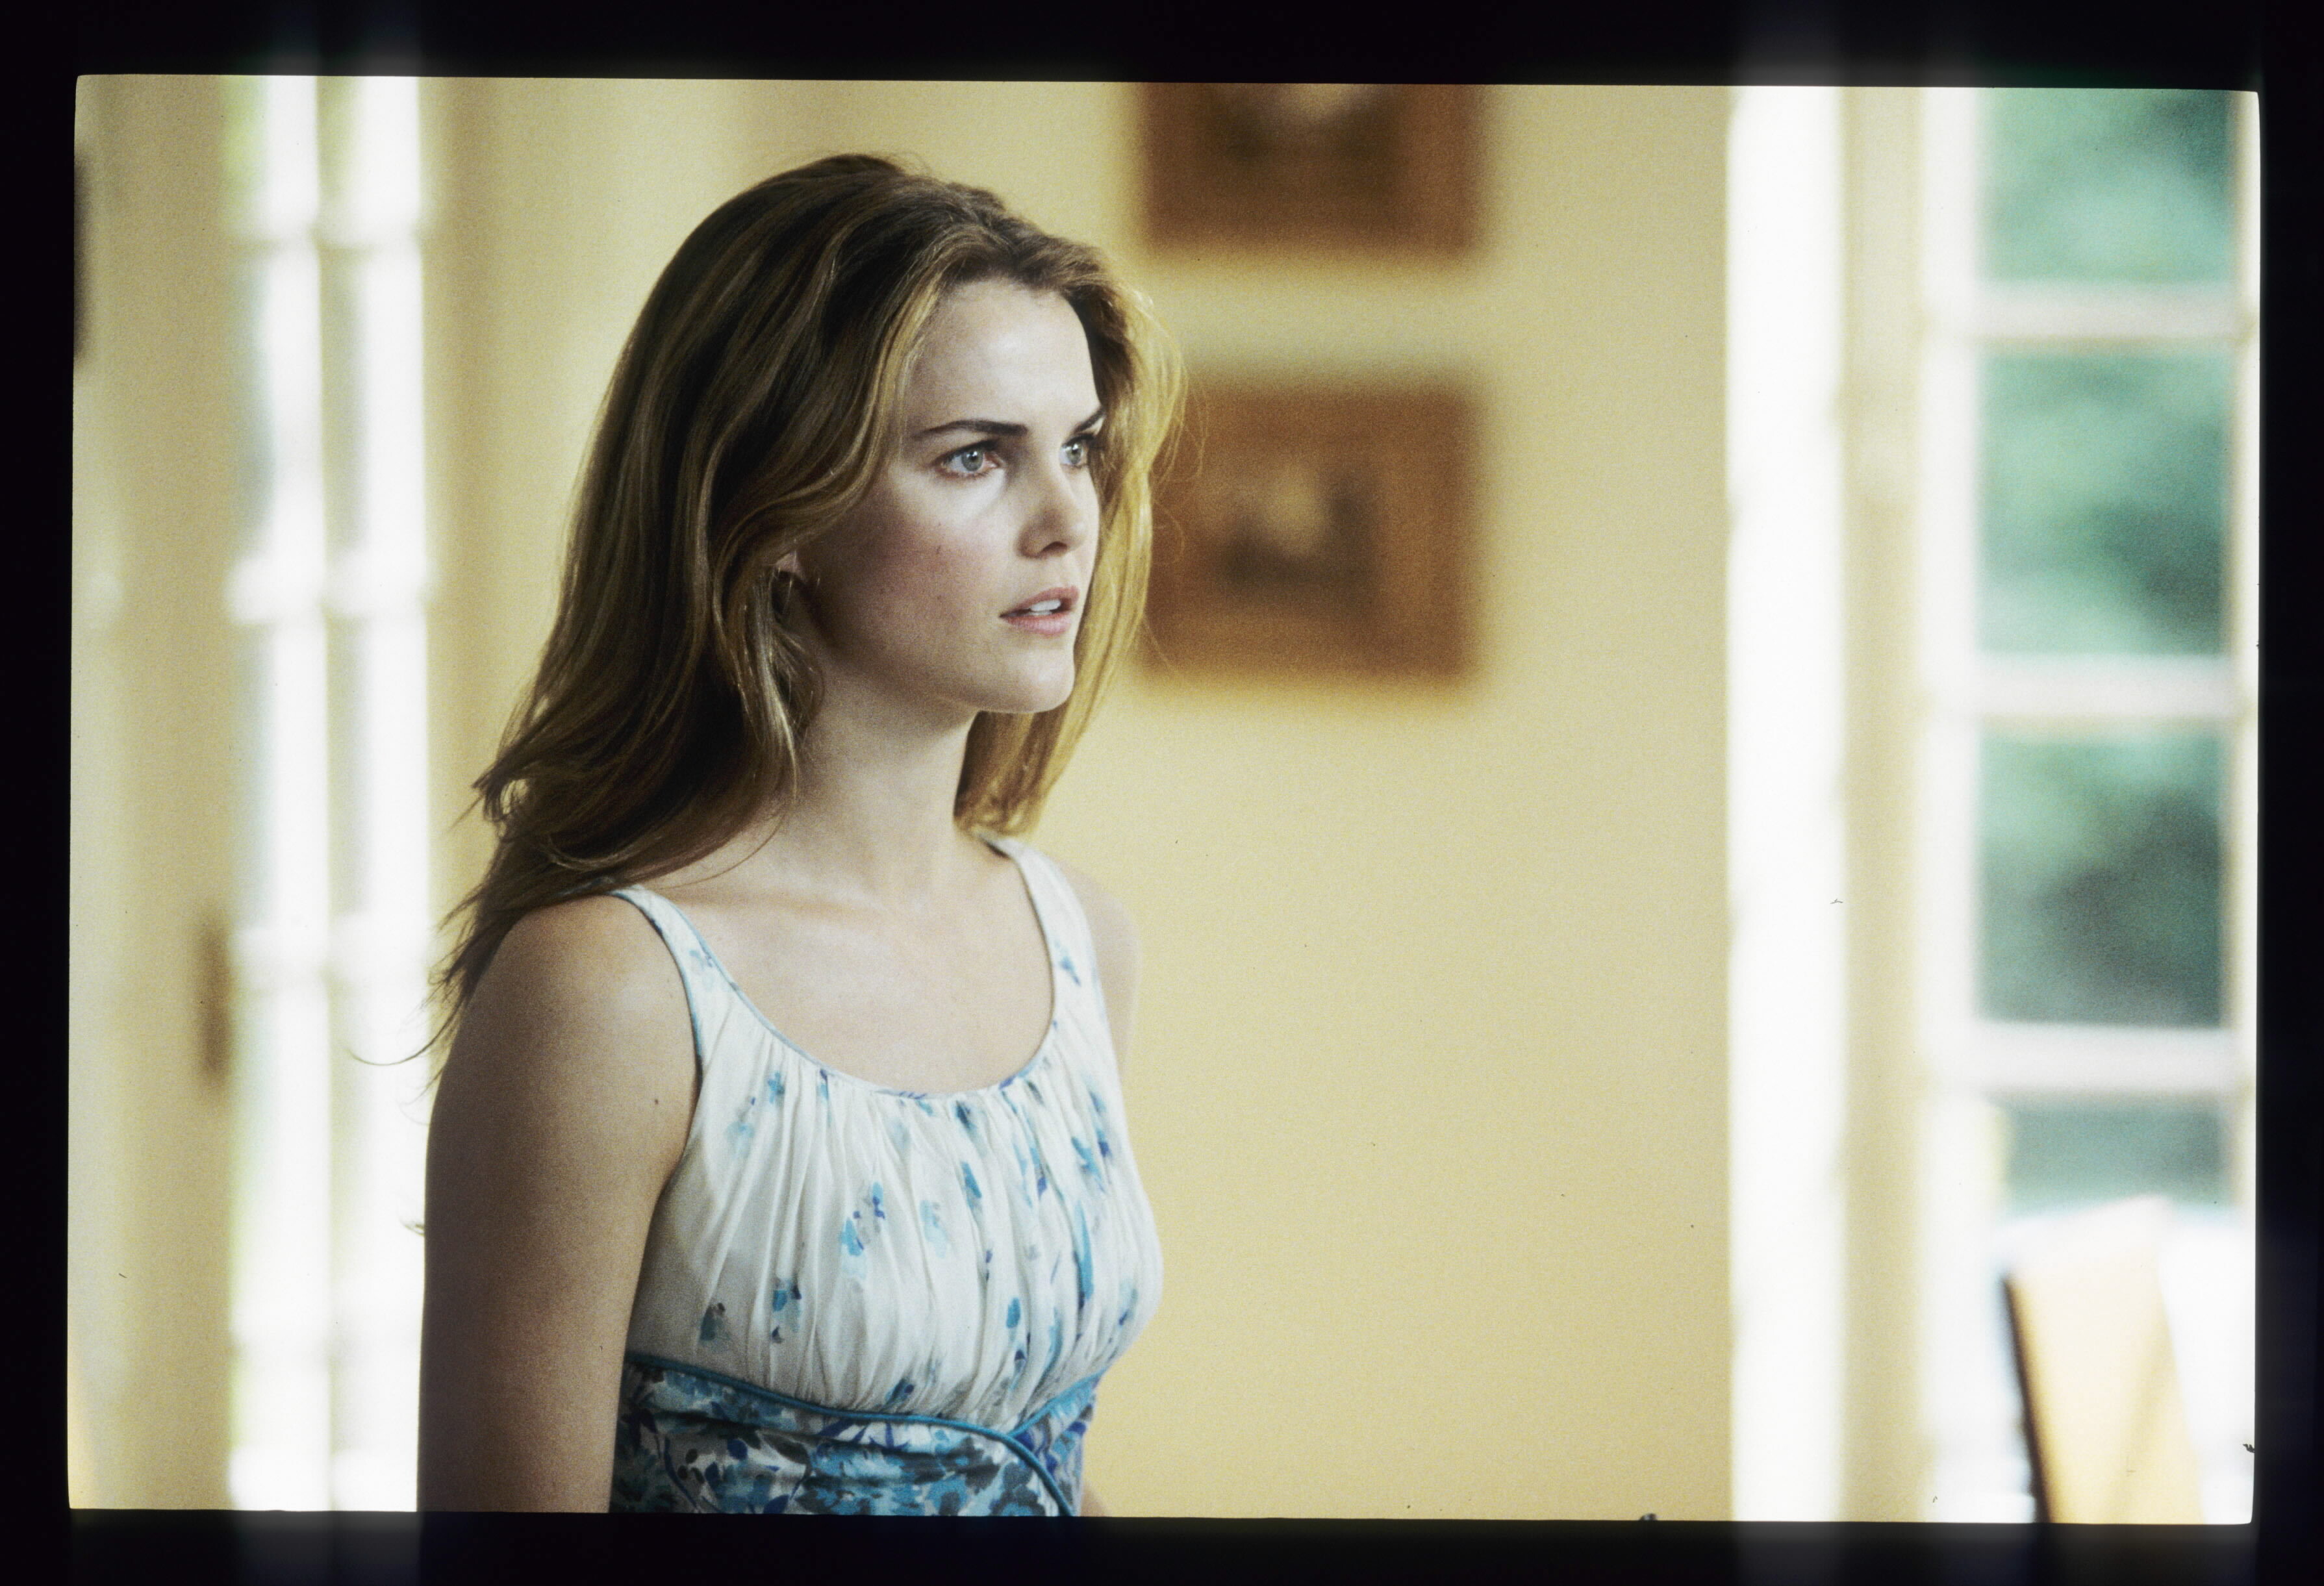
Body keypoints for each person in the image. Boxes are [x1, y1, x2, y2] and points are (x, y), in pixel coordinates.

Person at [416, 155, 1178, 1515]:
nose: (1070, 520)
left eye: (1078, 447)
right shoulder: (610, 992)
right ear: (774, 512)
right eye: (974, 456)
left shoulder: (1076, 939)